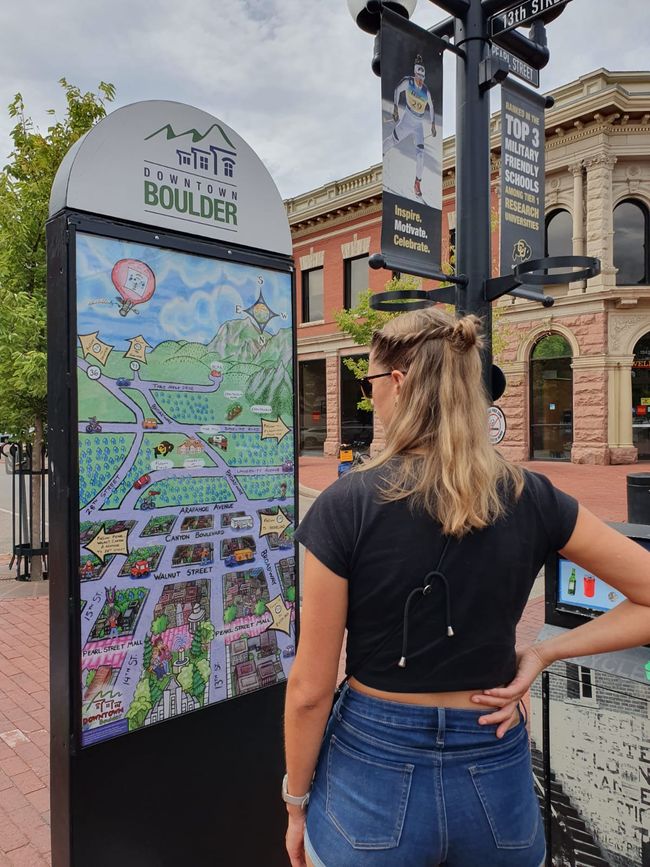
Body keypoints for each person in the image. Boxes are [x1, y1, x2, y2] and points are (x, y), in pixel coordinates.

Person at [283, 306, 650, 867]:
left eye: (371, 382)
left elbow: (309, 689)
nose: (371, 395)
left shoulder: (347, 505)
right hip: (493, 755)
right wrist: (543, 655)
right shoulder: (533, 495)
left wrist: (295, 802)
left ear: (399, 383)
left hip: (373, 762)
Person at [383, 54, 436, 200]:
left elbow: (431, 106)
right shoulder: (409, 82)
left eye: (422, 79)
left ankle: (417, 183)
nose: (420, 81)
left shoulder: (425, 90)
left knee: (421, 154)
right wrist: (395, 108)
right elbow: (397, 90)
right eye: (418, 78)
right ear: (415, 74)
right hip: (407, 118)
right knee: (393, 140)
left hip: (418, 123)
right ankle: (382, 153)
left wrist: (432, 123)